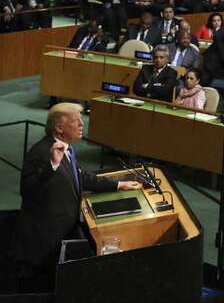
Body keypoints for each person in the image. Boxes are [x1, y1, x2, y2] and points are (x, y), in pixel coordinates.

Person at [11, 103, 141, 286]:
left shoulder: (67, 147)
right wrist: (52, 165)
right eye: (76, 121)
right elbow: (27, 189)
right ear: (59, 128)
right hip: (43, 246)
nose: (82, 124)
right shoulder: (41, 153)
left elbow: (79, 176)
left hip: (62, 236)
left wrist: (118, 184)